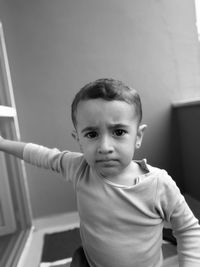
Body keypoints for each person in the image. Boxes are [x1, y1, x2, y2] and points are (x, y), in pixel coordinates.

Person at [0, 78, 200, 267]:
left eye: (119, 132)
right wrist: (3, 143)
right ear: (78, 139)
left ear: (138, 136)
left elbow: (189, 230)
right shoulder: (79, 168)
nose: (105, 147)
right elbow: (40, 154)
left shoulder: (158, 184)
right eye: (92, 134)